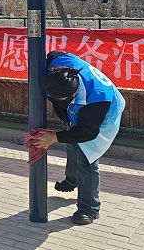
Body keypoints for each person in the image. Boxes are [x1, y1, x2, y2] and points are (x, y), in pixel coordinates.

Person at [29, 51, 126, 226]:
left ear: (73, 93)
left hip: (105, 115)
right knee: (72, 144)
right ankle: (72, 179)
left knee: (86, 157)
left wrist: (55, 137)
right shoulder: (59, 64)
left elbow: (87, 133)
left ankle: (89, 209)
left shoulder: (97, 101)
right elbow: (51, 55)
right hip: (81, 108)